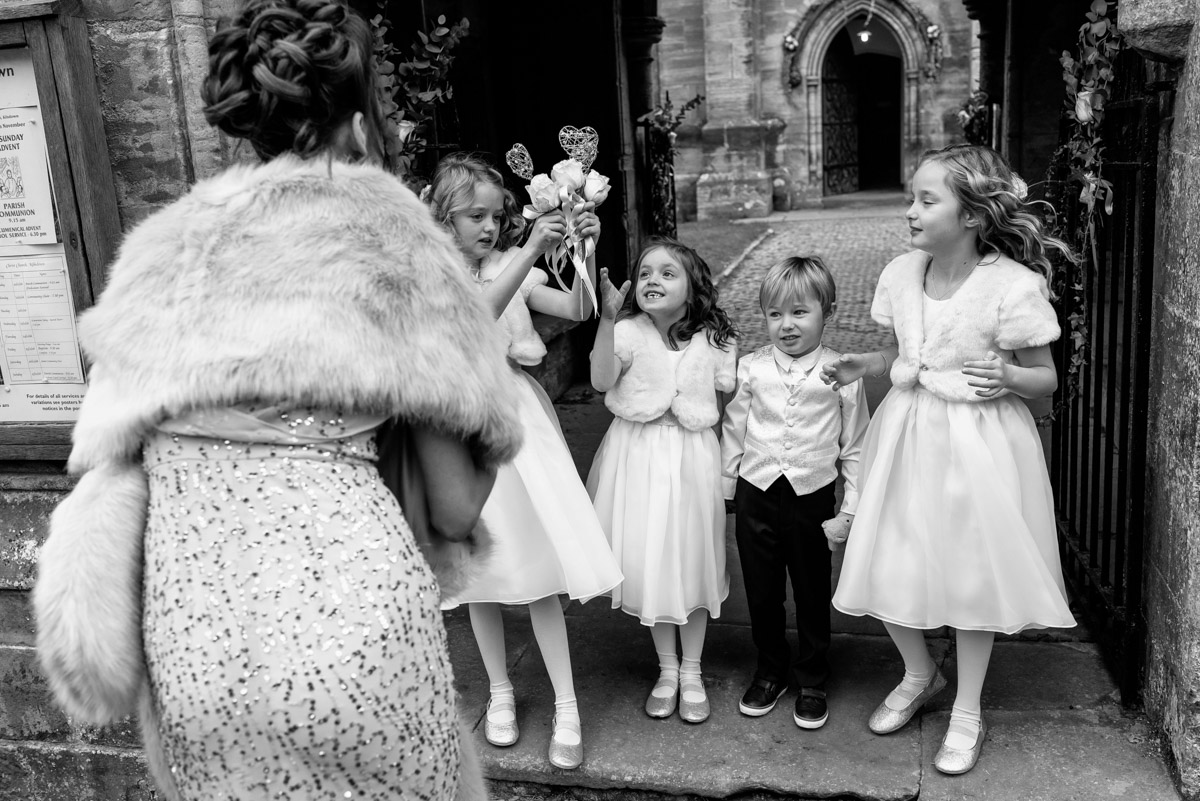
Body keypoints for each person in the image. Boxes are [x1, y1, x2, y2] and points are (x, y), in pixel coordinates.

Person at [31, 2, 521, 799]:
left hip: (196, 642)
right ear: (360, 122)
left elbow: (109, 454)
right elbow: (459, 508)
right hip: (359, 636)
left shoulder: (159, 251)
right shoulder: (393, 234)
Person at [821, 144, 1076, 775]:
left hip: (978, 444)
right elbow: (908, 353)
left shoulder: (1011, 288)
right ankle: (919, 672)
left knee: (969, 570)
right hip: (907, 433)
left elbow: (1046, 379)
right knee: (887, 553)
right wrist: (869, 363)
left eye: (926, 200)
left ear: (970, 214)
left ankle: (967, 709)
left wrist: (1010, 375)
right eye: (912, 196)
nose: (910, 211)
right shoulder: (903, 273)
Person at [425, 152, 622, 771]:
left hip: (517, 422)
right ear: (442, 217)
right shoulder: (430, 275)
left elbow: (577, 311)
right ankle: (500, 691)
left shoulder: (510, 266)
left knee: (536, 567)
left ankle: (566, 702)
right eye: (473, 216)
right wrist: (533, 246)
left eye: (495, 215)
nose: (488, 227)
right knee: (477, 574)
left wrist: (585, 249)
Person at [586, 237, 738, 725]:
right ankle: (667, 670)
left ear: (694, 289)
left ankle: (692, 670)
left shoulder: (716, 340)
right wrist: (607, 320)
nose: (653, 279)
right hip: (639, 455)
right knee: (652, 557)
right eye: (646, 272)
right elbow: (601, 380)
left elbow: (733, 402)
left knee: (692, 555)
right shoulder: (627, 331)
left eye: (668, 273)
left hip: (694, 456)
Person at [721, 255, 870, 730]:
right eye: (775, 314)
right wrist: (728, 486)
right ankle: (770, 670)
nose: (786, 325)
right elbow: (733, 430)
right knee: (761, 591)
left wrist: (849, 508)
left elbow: (856, 447)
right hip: (756, 490)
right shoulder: (751, 368)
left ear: (829, 312)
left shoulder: (843, 374)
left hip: (811, 496)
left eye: (799, 312)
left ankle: (812, 676)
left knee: (810, 589)